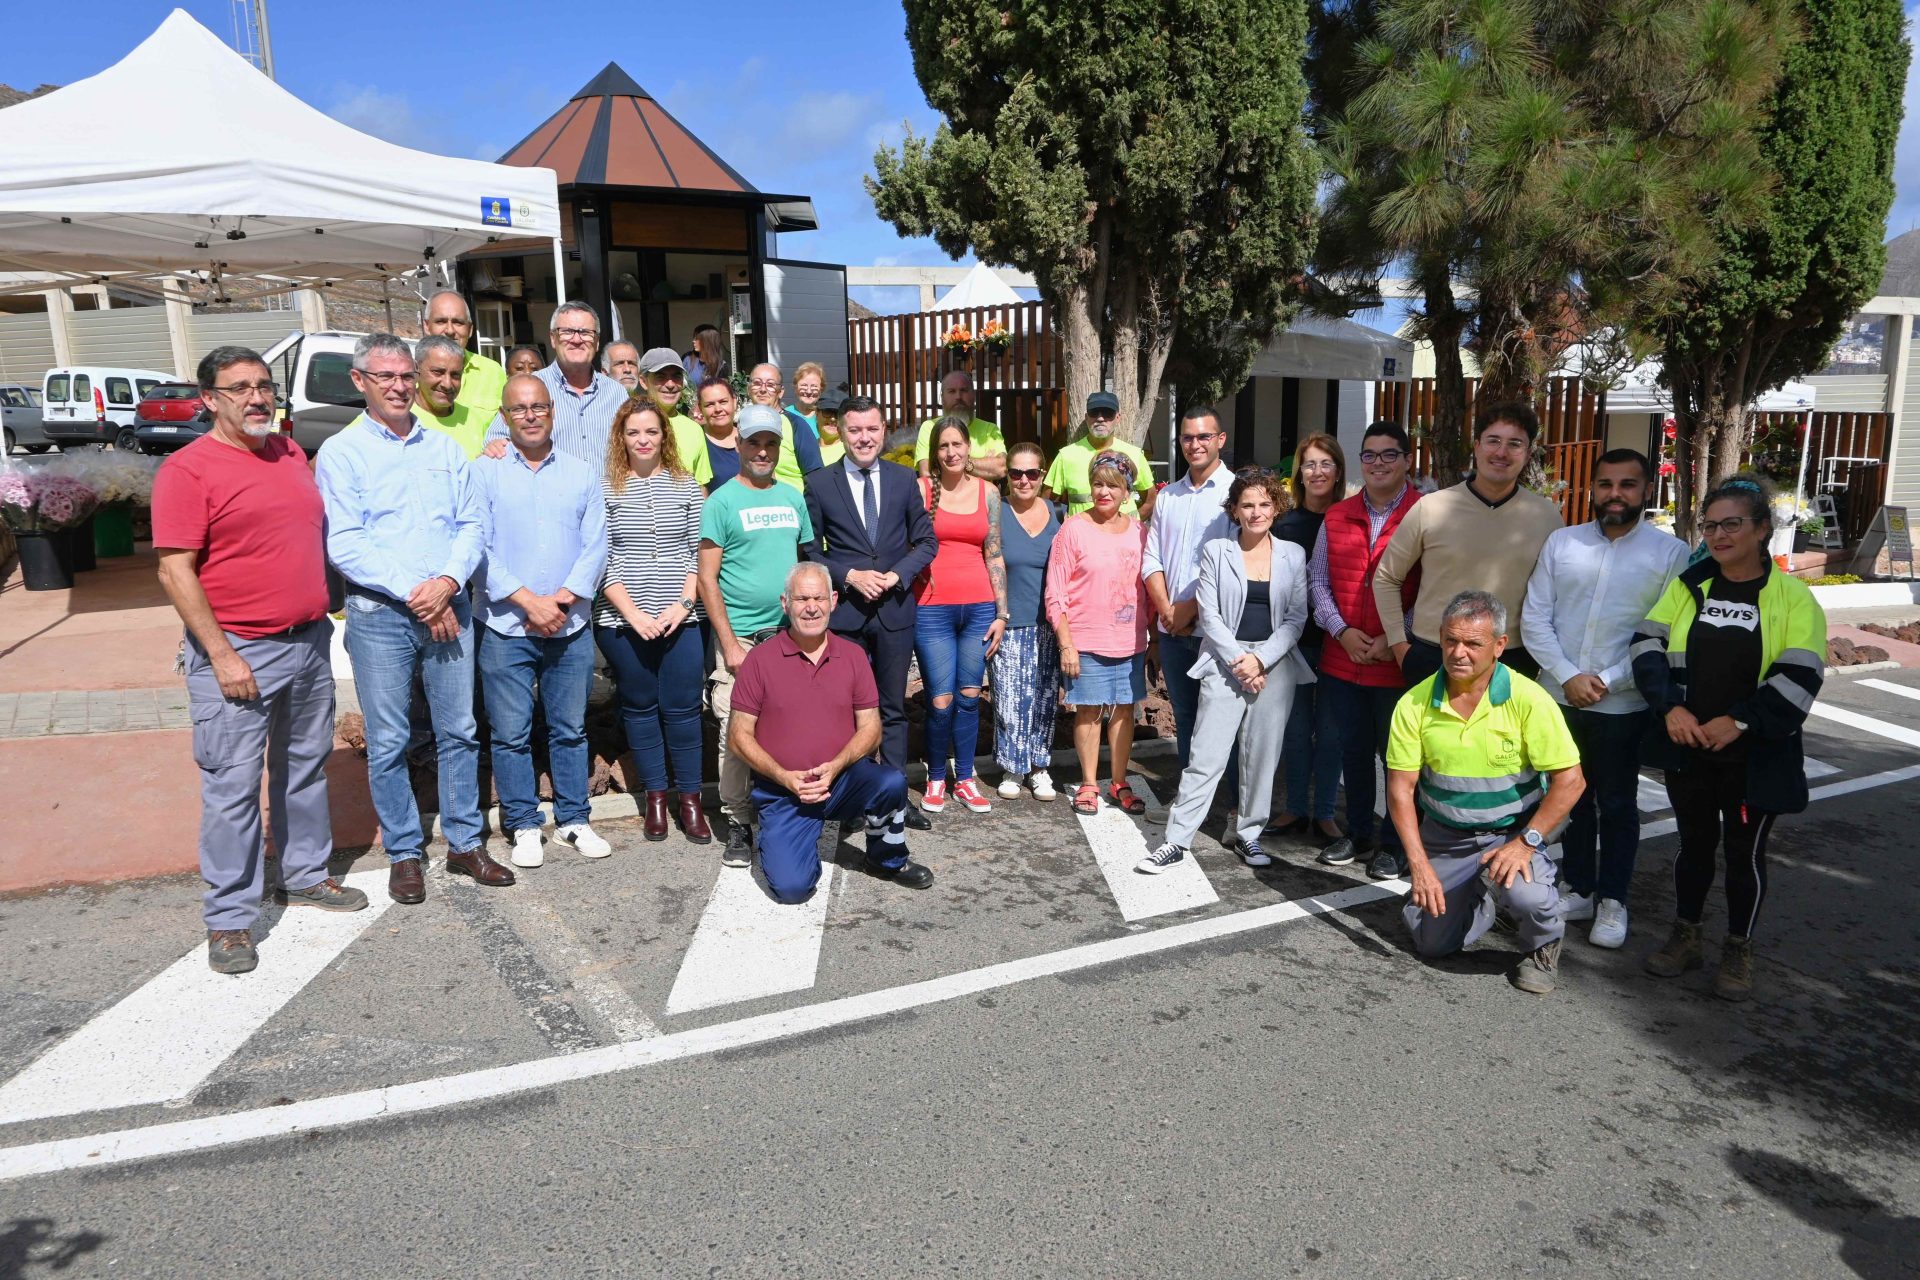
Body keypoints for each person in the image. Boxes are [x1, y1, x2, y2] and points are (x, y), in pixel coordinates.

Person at [153, 345, 366, 974]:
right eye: (240, 388)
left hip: (306, 642)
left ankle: (303, 874)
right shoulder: (189, 471)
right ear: (210, 400)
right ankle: (229, 918)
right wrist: (220, 655)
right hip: (239, 650)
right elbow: (173, 569)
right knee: (233, 787)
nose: (256, 398)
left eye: (264, 386)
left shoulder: (290, 452)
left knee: (304, 771)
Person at [315, 333, 509, 904]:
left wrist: (446, 584)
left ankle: (465, 843)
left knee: (460, 731)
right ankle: (404, 851)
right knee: (391, 737)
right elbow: (345, 543)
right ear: (360, 383)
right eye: (385, 377)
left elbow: (474, 524)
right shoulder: (343, 453)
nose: (399, 386)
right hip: (381, 617)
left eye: (405, 376)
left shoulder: (444, 447)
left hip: (448, 607)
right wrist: (417, 593)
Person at [1632, 476, 1827, 1002]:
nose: (1719, 535)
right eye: (1712, 525)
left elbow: (1802, 674)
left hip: (1753, 755)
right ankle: (1687, 934)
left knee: (1744, 855)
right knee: (1694, 844)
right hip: (1688, 745)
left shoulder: (1793, 598)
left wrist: (1739, 720)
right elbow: (1647, 643)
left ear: (1762, 528)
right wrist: (1669, 707)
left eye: (1732, 524)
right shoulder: (1690, 585)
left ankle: (1738, 947)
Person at [1521, 448, 1688, 949]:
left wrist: (1607, 681)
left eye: (1628, 484)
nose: (1616, 493)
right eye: (1607, 484)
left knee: (1617, 803)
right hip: (1559, 698)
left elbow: (1662, 631)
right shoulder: (1561, 542)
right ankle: (1580, 887)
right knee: (1569, 799)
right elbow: (1535, 618)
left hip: (1622, 703)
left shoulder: (1669, 554)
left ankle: (1614, 899)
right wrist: (1569, 675)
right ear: (1591, 489)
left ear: (1645, 491)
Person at [1387, 591, 1586, 995]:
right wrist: (1419, 865)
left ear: (1499, 646)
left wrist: (1527, 843)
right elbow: (1400, 791)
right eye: (1450, 640)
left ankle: (1543, 946)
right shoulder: (1414, 703)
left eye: (1473, 643)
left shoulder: (1529, 699)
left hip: (1513, 833)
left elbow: (1572, 781)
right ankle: (1483, 897)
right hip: (1446, 836)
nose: (1459, 653)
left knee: (1530, 898)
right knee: (1431, 943)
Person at [728, 563, 935, 902]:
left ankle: (886, 859)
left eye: (819, 598)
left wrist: (837, 765)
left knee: (890, 782)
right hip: (784, 792)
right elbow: (739, 736)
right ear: (785, 603)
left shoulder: (853, 656)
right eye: (801, 598)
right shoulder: (760, 660)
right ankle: (788, 839)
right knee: (793, 889)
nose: (811, 607)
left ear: (834, 600)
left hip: (841, 781)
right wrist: (785, 777)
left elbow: (871, 727)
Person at [1141, 467, 1313, 874]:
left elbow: (1295, 618)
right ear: (1234, 510)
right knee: (1206, 755)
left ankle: (1249, 835)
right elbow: (1211, 614)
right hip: (1225, 662)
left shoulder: (1293, 555)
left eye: (1264, 504)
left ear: (1276, 508)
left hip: (1273, 667)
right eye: (1247, 505)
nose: (1255, 512)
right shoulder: (1216, 551)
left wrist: (1261, 660)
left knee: (1262, 757)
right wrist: (1241, 660)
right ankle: (1177, 840)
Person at [473, 374, 610, 868]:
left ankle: (574, 819)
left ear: (552, 411)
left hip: (569, 625)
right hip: (506, 625)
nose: (530, 415)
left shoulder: (580, 472)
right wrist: (529, 601)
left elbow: (596, 543)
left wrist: (564, 598)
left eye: (538, 406)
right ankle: (524, 824)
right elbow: (478, 547)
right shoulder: (483, 472)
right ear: (505, 416)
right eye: (519, 409)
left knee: (569, 728)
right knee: (509, 734)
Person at [802, 394, 939, 828]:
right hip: (847, 617)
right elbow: (809, 550)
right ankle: (852, 795)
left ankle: (896, 794)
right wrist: (849, 576)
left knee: (892, 707)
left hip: (895, 611)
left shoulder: (903, 481)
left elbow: (927, 542)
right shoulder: (821, 484)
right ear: (840, 432)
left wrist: (897, 576)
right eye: (855, 430)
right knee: (844, 711)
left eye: (872, 429)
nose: (864, 437)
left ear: (883, 430)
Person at [1372, 401, 1562, 687]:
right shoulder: (1432, 508)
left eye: (1514, 444)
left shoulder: (1546, 516)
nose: (1501, 452)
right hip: (1434, 655)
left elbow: (1555, 594)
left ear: (1528, 453)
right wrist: (1399, 646)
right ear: (1476, 446)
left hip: (1511, 661)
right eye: (1493, 441)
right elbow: (1386, 577)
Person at [699, 406, 816, 866]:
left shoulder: (792, 497)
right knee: (735, 729)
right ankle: (737, 821)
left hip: (789, 638)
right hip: (742, 640)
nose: (762, 451)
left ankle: (784, 806)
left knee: (790, 726)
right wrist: (728, 643)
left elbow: (805, 565)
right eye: (753, 443)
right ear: (739, 445)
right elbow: (707, 579)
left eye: (770, 443)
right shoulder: (722, 502)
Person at [596, 397, 712, 846]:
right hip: (623, 622)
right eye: (633, 432)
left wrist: (682, 606)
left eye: (651, 431)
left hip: (683, 617)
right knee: (641, 710)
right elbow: (601, 557)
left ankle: (691, 800)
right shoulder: (605, 489)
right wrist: (633, 614)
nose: (642, 440)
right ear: (620, 438)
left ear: (665, 436)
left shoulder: (685, 487)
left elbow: (697, 554)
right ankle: (657, 799)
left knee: (683, 711)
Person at [1312, 421, 1422, 881]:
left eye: (1389, 454)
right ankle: (1359, 834)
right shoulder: (1337, 515)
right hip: (1343, 659)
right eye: (1370, 455)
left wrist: (1395, 638)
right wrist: (1341, 630)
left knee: (1398, 758)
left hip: (1396, 663)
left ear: (1408, 460)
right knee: (1353, 752)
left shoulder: (1426, 513)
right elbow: (1317, 581)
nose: (1378, 464)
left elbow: (1434, 590)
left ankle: (1395, 846)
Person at [914, 416, 1011, 814]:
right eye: (943, 446)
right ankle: (937, 776)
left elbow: (994, 552)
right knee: (940, 699)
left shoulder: (988, 492)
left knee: (970, 696)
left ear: (969, 447)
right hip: (931, 610)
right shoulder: (921, 490)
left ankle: (966, 779)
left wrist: (1002, 613)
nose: (951, 453)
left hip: (979, 608)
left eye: (957, 445)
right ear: (934, 453)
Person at [1047, 450, 1152, 816]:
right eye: (1097, 484)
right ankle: (1090, 783)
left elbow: (1148, 589)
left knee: (1124, 711)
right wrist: (1066, 644)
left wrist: (1151, 636)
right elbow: (1055, 592)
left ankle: (1119, 781)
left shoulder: (1140, 532)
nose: (1103, 492)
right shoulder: (1073, 529)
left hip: (1130, 639)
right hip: (1085, 639)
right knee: (1089, 711)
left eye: (1113, 485)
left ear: (1127, 491)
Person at [1141, 404, 1233, 783]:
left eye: (1203, 436)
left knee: (1223, 722)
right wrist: (1166, 610)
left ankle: (1231, 812)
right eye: (1188, 437)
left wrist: (1188, 610)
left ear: (1220, 440)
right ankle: (1187, 804)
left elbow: (1233, 564)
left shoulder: (1235, 493)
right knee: (1185, 716)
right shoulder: (1169, 496)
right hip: (1173, 630)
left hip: (1216, 632)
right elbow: (1152, 558)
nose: (1195, 444)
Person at [1274, 434, 1349, 858]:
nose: (1316, 472)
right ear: (1298, 473)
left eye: (1325, 464)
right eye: (1309, 464)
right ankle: (1295, 808)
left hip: (1340, 642)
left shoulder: (1349, 519)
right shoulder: (1285, 525)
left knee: (1333, 732)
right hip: (1294, 644)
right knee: (1297, 731)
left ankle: (1324, 812)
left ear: (1337, 471)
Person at [993, 442, 1064, 801]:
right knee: (1009, 699)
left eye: (1031, 473)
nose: (1024, 480)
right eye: (1016, 473)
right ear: (1007, 475)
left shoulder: (1058, 513)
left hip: (1050, 624)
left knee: (1043, 699)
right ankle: (1011, 766)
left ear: (1042, 475)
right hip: (1009, 619)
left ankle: (1039, 767)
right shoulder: (997, 512)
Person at [483, 303, 628, 466]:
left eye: (586, 332)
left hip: (607, 491)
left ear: (597, 342)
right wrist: (495, 445)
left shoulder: (617, 393)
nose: (576, 339)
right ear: (553, 338)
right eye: (567, 332)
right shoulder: (530, 388)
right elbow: (494, 441)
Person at [1044, 391, 1154, 517]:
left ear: (1118, 418)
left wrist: (1132, 524)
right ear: (1086, 417)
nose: (1100, 418)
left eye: (1107, 413)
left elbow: (1150, 501)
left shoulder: (1134, 454)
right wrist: (1065, 527)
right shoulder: (1066, 456)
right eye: (1094, 413)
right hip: (1081, 534)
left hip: (1121, 534)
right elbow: (1046, 503)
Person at [422, 288, 506, 423]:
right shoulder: (412, 374)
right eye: (441, 321)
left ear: (470, 329)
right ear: (426, 326)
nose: (449, 330)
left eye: (458, 322)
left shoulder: (492, 372)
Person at [913, 370, 1007, 480]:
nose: (958, 396)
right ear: (942, 398)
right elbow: (927, 472)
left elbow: (1002, 468)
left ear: (973, 396)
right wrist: (982, 464)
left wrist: (947, 463)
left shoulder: (989, 430)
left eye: (964, 390)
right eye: (952, 391)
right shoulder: (930, 427)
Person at [744, 362, 824, 491]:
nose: (763, 389)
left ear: (780, 392)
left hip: (792, 505)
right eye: (757, 383)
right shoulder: (742, 424)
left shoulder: (796, 425)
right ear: (749, 388)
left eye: (770, 385)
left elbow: (816, 477)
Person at [412, 335, 490, 459]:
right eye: (438, 372)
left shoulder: (472, 418)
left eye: (455, 375)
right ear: (416, 368)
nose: (447, 384)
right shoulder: (401, 420)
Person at [635, 347, 706, 480]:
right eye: (660, 377)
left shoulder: (694, 430)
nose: (670, 384)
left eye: (676, 376)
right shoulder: (630, 426)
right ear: (644, 382)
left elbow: (701, 485)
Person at [693, 378, 742, 489]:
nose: (718, 409)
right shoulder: (695, 441)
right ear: (700, 408)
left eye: (723, 402)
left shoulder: (750, 437)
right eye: (709, 404)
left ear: (734, 402)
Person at [788, 361, 826, 433]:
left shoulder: (826, 416)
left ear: (821, 389)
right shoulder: (786, 415)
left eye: (814, 386)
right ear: (795, 387)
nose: (809, 391)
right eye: (804, 385)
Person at [814, 388, 847, 467]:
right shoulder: (807, 448)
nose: (832, 418)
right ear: (816, 413)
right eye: (827, 412)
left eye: (838, 414)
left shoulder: (850, 450)